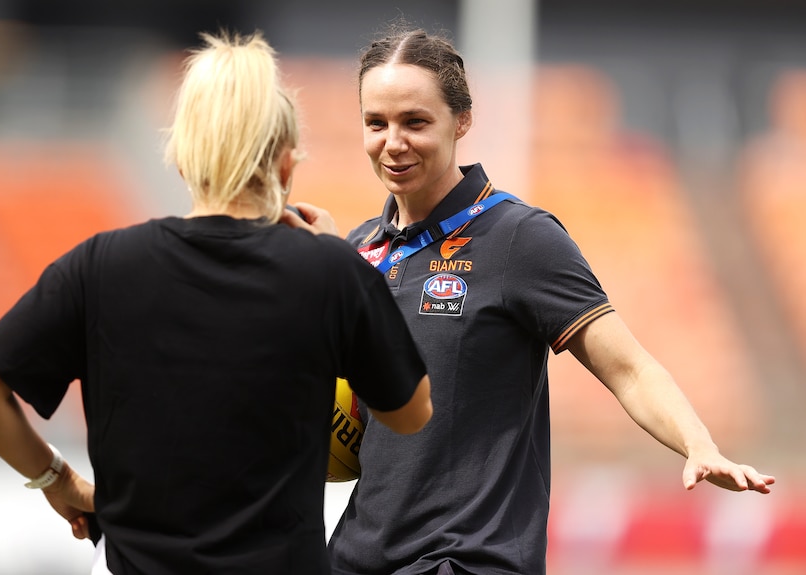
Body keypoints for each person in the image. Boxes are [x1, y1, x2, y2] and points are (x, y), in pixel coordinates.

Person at [285, 23, 775, 575]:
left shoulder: (520, 238)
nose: (393, 142)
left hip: (463, 561)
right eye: (376, 123)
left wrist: (697, 444)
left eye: (415, 121)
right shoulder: (358, 250)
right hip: (354, 561)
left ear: (462, 120)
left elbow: (629, 369)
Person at [0, 30, 432, 575]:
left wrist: (55, 479)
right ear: (285, 163)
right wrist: (344, 267)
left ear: (181, 157)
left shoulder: (100, 264)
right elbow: (411, 413)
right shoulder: (329, 271)